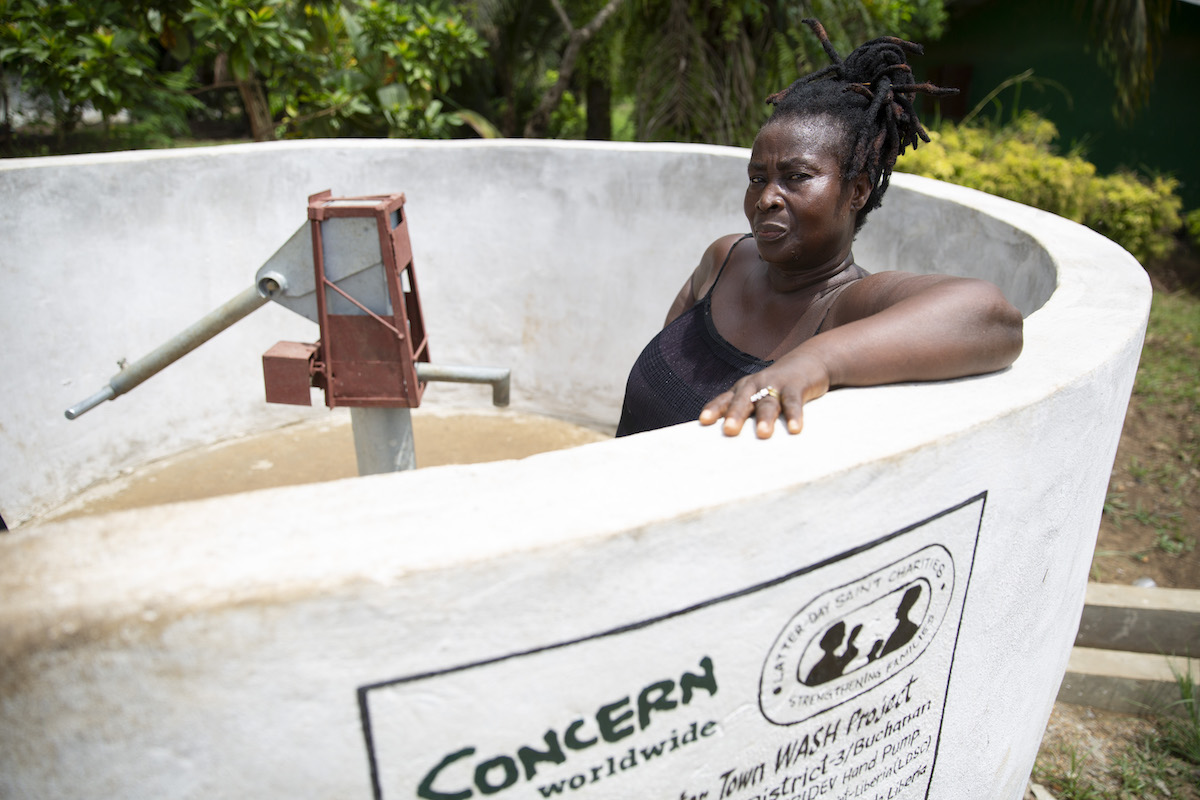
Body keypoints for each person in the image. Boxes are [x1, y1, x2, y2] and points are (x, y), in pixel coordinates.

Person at [615, 19, 1024, 439]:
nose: (767, 198)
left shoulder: (849, 307)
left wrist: (815, 362)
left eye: (796, 177)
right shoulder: (724, 259)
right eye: (758, 178)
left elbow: (993, 318)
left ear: (857, 191)